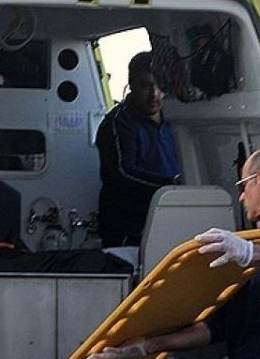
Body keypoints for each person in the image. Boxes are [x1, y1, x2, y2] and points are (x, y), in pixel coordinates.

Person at [87, 150, 260, 359]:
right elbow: (214, 328)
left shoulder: (247, 252)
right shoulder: (243, 262)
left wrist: (250, 252)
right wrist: (146, 346)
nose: (241, 196)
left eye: (243, 185)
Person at [95, 52, 181, 247]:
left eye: (159, 86)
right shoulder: (117, 124)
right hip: (128, 227)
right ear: (131, 85)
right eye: (145, 86)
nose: (154, 94)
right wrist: (172, 186)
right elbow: (123, 173)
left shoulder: (177, 121)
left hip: (170, 217)